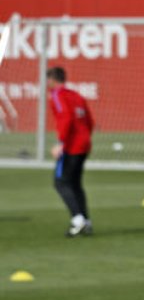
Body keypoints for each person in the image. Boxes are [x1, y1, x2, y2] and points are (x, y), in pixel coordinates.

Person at [46, 67, 94, 237]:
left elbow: (66, 117)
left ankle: (77, 219)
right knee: (75, 183)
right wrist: (85, 138)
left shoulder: (57, 95)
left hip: (71, 145)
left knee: (60, 182)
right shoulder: (77, 95)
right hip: (84, 144)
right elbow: (89, 121)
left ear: (52, 79)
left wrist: (61, 143)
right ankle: (86, 221)